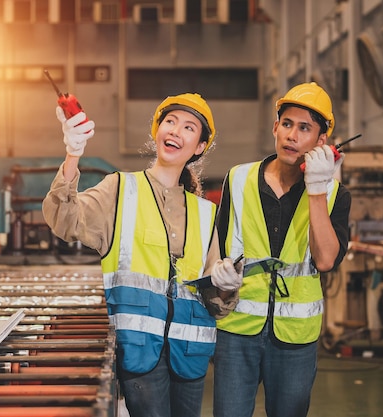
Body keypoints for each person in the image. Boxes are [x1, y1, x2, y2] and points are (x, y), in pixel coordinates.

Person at [42, 93, 243, 417]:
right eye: (170, 122)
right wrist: (73, 155)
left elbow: (217, 305)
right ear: (157, 131)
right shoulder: (120, 190)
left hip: (190, 355)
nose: (176, 131)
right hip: (137, 351)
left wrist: (226, 284)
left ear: (200, 146)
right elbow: (63, 220)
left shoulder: (206, 213)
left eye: (189, 127)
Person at [212, 82, 352, 417]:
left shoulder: (336, 195)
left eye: (304, 128)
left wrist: (317, 188)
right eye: (287, 124)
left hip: (295, 339)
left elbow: (325, 259)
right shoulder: (238, 178)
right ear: (275, 127)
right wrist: (215, 270)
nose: (292, 135)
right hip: (237, 329)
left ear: (321, 142)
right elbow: (217, 243)